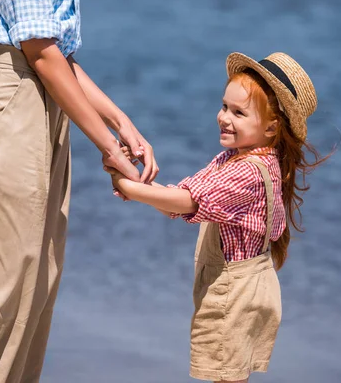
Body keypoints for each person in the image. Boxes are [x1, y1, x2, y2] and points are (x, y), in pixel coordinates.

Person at [0, 0, 157, 382]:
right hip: (9, 108)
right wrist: (110, 148)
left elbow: (54, 56)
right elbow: (39, 52)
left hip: (38, 108)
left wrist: (120, 122)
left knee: (27, 308)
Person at [105, 51, 329, 383]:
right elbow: (179, 202)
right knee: (228, 376)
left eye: (239, 113)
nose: (225, 118)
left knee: (226, 376)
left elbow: (185, 202)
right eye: (225, 107)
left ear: (272, 126)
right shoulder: (233, 159)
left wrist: (127, 185)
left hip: (235, 293)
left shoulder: (248, 173)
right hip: (240, 287)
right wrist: (136, 183)